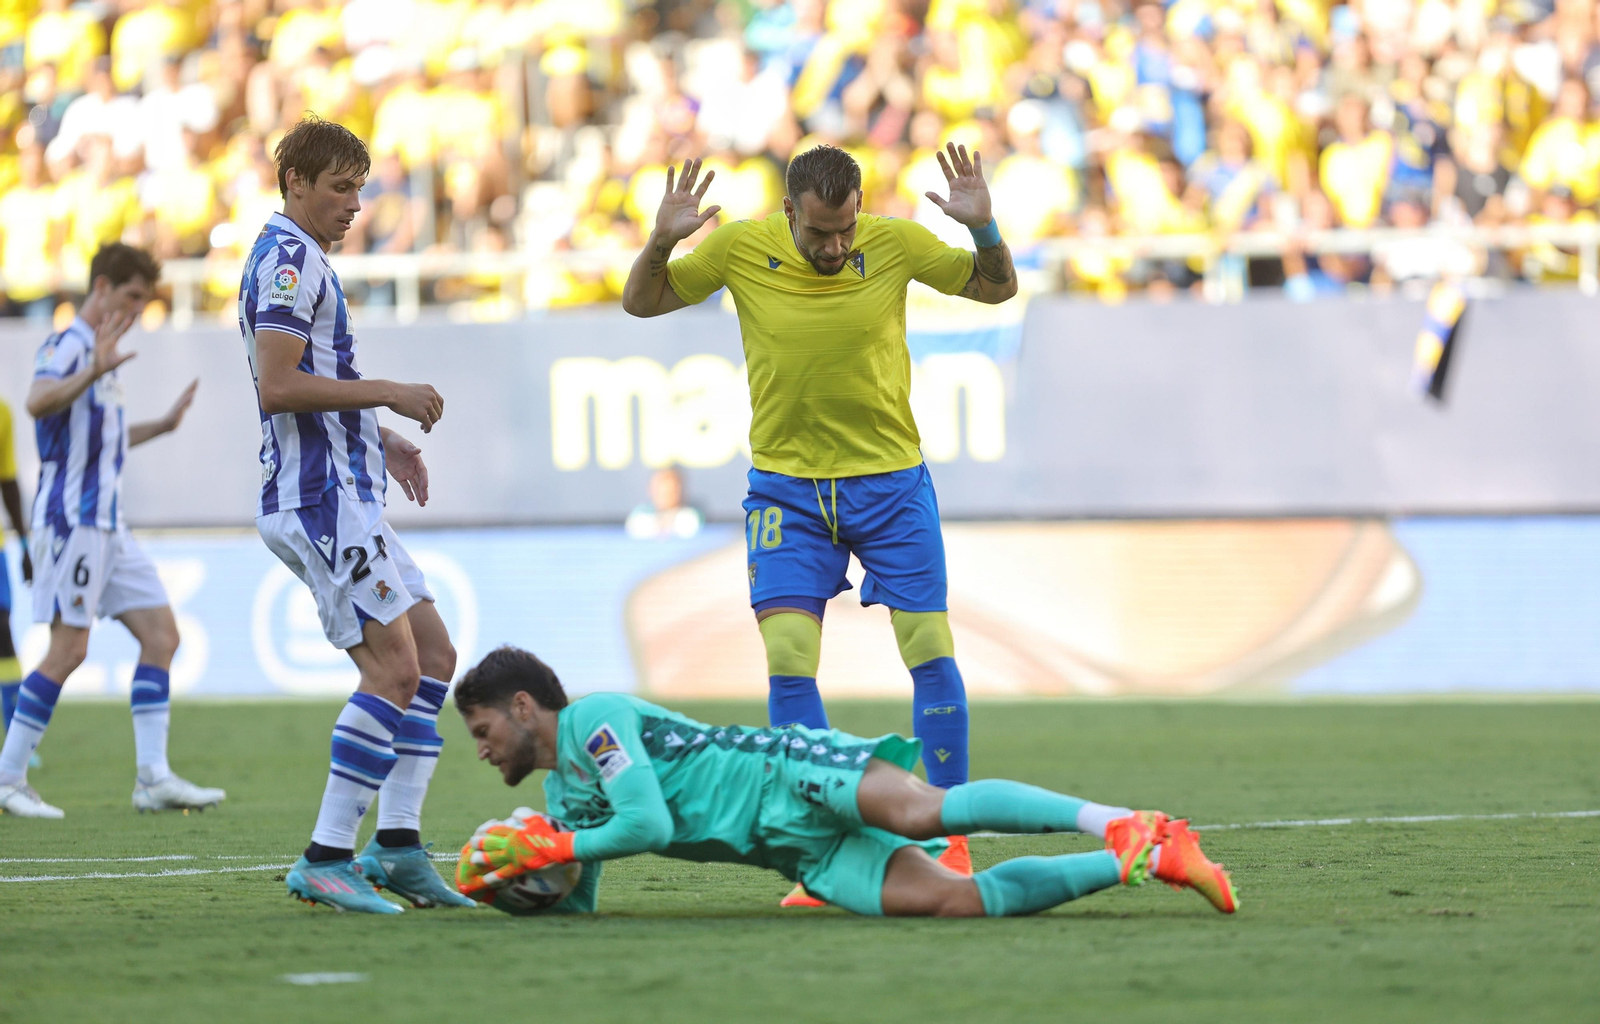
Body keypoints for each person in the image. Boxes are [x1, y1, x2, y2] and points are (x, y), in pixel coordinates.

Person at [620, 142, 1017, 903]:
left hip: (892, 484)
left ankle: (949, 843)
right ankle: (827, 855)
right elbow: (642, 302)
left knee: (930, 650)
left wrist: (985, 230)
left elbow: (996, 290)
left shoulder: (896, 243)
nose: (835, 247)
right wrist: (662, 242)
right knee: (790, 662)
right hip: (788, 494)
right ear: (787, 213)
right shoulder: (740, 248)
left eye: (845, 230)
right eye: (819, 233)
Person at [452, 645, 1238, 918]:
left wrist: (557, 846)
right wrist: (512, 884)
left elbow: (647, 825)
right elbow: (577, 898)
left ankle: (1117, 819)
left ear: (523, 706)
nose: (483, 750)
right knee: (956, 900)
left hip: (787, 774)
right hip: (797, 851)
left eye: (483, 730)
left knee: (926, 811)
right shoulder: (561, 798)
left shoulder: (596, 720)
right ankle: (1149, 855)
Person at [241, 116, 468, 914]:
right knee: (393, 669)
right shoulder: (287, 260)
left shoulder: (306, 257)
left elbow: (313, 379)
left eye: (360, 189)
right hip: (319, 498)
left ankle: (397, 845)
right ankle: (326, 855)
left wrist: (383, 437)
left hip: (349, 491)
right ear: (295, 182)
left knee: (433, 655)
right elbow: (279, 384)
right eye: (340, 188)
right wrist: (389, 391)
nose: (354, 205)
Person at [0, 243, 220, 819]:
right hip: (72, 520)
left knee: (162, 636)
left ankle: (153, 778)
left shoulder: (102, 356)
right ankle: (8, 778)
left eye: (144, 300)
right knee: (69, 649)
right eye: (131, 296)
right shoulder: (70, 345)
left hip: (108, 526)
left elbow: (104, 440)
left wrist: (162, 427)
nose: (137, 309)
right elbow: (37, 402)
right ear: (101, 288)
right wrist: (93, 369)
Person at [0, 395, 35, 767]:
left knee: (2, 633)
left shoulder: (2, 412)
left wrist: (24, 544)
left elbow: (7, 480)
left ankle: (15, 739)